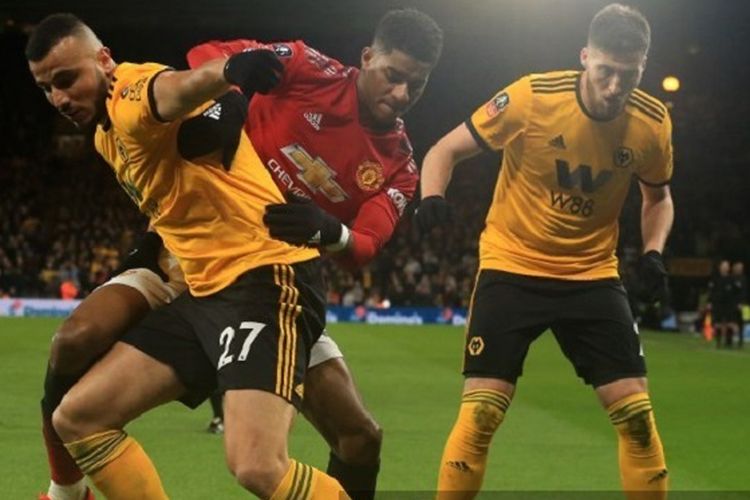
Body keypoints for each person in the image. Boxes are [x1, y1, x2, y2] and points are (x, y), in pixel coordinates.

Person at [34, 8, 443, 500]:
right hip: (189, 256)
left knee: (345, 440)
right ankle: (64, 488)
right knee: (75, 371)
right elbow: (210, 58)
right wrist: (227, 93)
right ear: (367, 57)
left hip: (270, 269)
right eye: (393, 77)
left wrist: (331, 231)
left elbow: (365, 245)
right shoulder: (310, 68)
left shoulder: (398, 166)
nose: (400, 95)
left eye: (414, 87)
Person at [416, 4, 673, 498]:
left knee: (638, 419)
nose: (616, 86)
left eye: (630, 73)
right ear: (584, 58)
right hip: (513, 265)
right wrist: (431, 196)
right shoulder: (532, 95)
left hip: (593, 274)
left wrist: (654, 251)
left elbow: (658, 197)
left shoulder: (652, 122)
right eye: (606, 72)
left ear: (643, 66)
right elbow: (443, 150)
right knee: (482, 413)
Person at [708, 260, 741, 348]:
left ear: (729, 268)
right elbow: (711, 292)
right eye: (723, 266)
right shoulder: (715, 279)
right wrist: (710, 302)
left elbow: (737, 292)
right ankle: (718, 342)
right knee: (718, 323)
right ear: (720, 267)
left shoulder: (732, 279)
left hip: (729, 305)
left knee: (730, 322)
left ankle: (729, 341)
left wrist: (737, 303)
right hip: (718, 304)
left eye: (726, 266)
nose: (725, 268)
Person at [731, 261, 747, 348]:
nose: (740, 269)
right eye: (738, 267)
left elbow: (745, 293)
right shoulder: (732, 278)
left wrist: (744, 304)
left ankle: (741, 341)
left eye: (741, 267)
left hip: (744, 305)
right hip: (734, 304)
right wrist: (736, 304)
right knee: (733, 322)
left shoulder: (744, 279)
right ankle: (730, 340)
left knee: (743, 323)